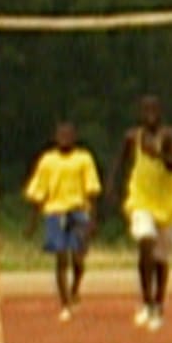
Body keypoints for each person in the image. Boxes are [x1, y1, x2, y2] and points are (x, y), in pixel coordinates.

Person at [110, 95, 172, 331]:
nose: (150, 115)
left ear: (161, 113)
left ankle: (159, 301)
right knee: (145, 243)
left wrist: (160, 155)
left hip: (167, 203)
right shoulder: (132, 138)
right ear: (139, 114)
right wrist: (111, 188)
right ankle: (147, 300)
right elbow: (118, 164)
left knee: (161, 258)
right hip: (141, 199)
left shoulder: (169, 136)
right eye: (145, 111)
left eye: (154, 110)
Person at [24, 121, 101, 322]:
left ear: (75, 137)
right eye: (61, 135)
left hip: (78, 211)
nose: (64, 139)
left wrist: (92, 220)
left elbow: (92, 190)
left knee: (78, 257)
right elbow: (39, 192)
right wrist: (32, 222)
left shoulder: (83, 159)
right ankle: (65, 302)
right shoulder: (48, 161)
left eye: (68, 135)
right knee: (60, 258)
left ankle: (75, 287)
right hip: (55, 212)